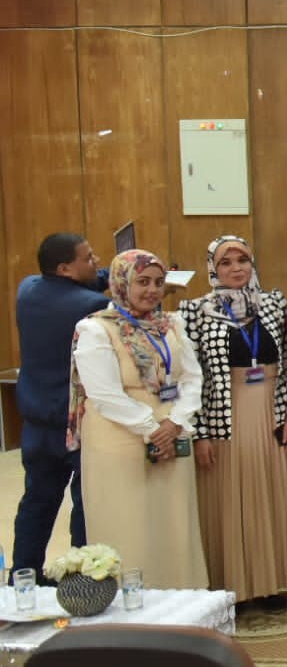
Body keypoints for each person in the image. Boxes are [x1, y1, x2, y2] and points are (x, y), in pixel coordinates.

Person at [180, 236, 287, 612]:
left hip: (271, 413)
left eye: (243, 260)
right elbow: (192, 377)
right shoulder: (196, 311)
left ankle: (270, 583)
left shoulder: (273, 304)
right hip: (225, 418)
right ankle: (234, 585)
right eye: (226, 262)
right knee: (230, 499)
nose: (236, 268)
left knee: (271, 495)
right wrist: (200, 433)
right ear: (212, 269)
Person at [68, 250, 207, 589]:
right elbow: (104, 394)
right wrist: (153, 428)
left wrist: (175, 422)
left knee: (174, 526)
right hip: (120, 440)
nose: (152, 290)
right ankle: (132, 609)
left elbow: (192, 378)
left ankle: (181, 603)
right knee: (130, 527)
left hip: (171, 434)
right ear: (121, 283)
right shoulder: (96, 329)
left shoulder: (171, 325)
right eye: (142, 281)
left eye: (159, 282)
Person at [12, 233, 106, 577]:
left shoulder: (27, 289)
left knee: (37, 501)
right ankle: (81, 578)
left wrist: (106, 275)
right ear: (65, 268)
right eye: (89, 258)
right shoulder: (92, 306)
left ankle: (24, 575)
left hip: (35, 422)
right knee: (85, 504)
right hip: (74, 424)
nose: (97, 261)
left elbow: (82, 286)